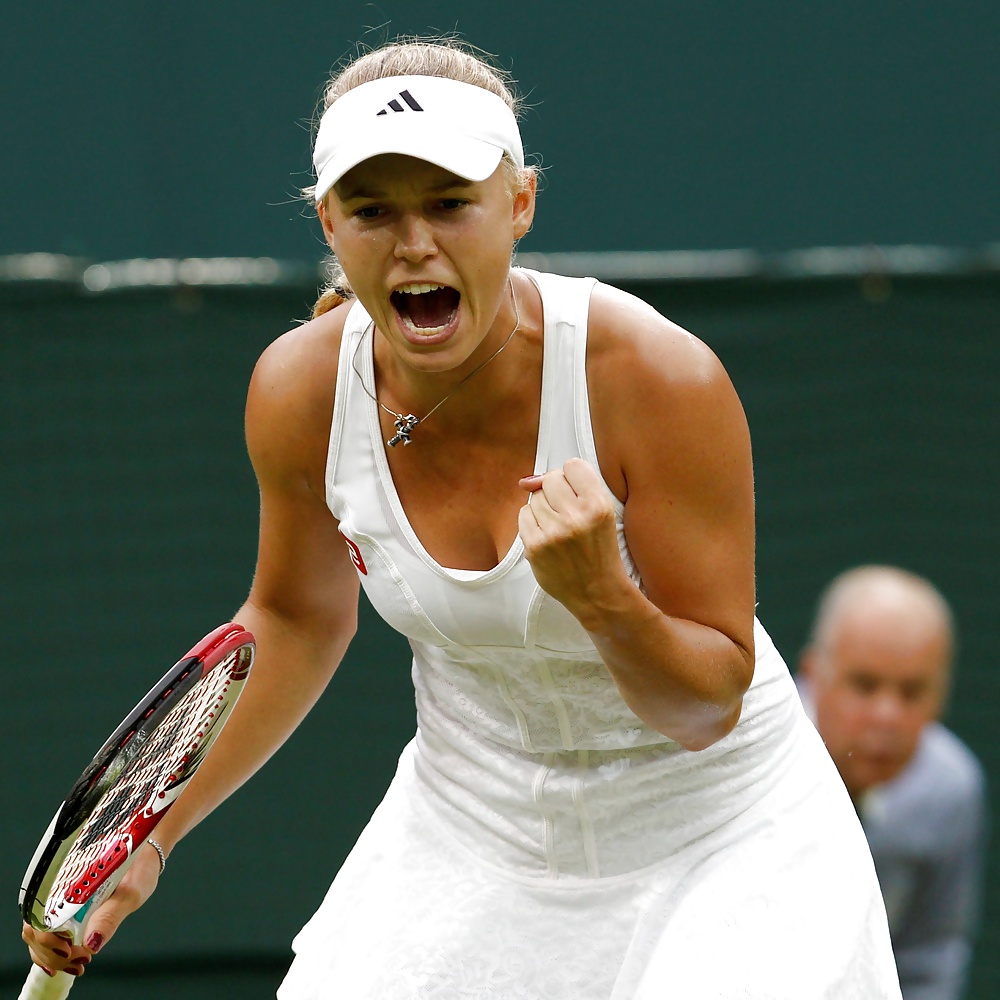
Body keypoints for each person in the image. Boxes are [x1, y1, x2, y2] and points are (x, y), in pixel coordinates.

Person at [23, 38, 904, 998]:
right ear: (328, 220)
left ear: (520, 204)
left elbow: (705, 710)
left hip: (721, 840)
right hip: (472, 826)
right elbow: (295, 618)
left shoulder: (657, 377)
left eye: (450, 203)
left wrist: (605, 599)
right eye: (372, 210)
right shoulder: (299, 389)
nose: (413, 244)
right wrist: (155, 834)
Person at [798, 566, 988, 1000]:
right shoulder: (750, 761)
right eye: (864, 685)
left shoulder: (951, 789)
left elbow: (931, 958)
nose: (887, 716)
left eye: (912, 691)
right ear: (813, 675)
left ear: (941, 696)